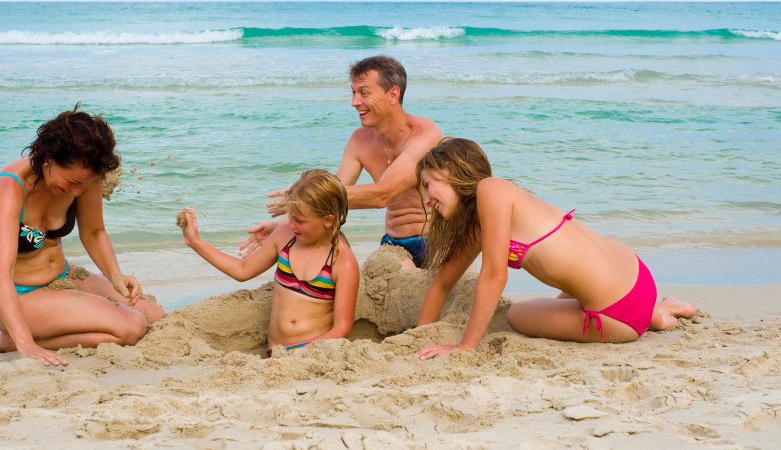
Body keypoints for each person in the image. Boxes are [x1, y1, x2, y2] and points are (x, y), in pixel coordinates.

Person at [412, 138, 696, 359]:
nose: (426, 200)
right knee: (564, 294)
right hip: (636, 276)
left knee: (517, 315)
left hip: (618, 316)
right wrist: (421, 334)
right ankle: (657, 310)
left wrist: (465, 346)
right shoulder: (486, 217)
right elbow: (443, 283)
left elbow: (494, 276)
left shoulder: (491, 189)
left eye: (427, 185)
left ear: (449, 170)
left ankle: (651, 316)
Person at [0, 105, 164, 366]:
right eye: (72, 182)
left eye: (84, 184)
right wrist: (26, 344)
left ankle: (39, 331)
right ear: (49, 159)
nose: (77, 193)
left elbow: (94, 231)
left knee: (153, 315)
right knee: (132, 326)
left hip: (61, 277)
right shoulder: (10, 188)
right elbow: (1, 273)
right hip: (13, 294)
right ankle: (14, 338)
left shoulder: (86, 175)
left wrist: (115, 275)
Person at [241, 55, 443, 267]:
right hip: (394, 243)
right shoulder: (359, 140)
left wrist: (306, 195)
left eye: (363, 93)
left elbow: (384, 193)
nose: (354, 102)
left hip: (434, 240)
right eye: (353, 93)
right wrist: (285, 224)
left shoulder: (425, 134)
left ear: (393, 94)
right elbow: (335, 195)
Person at [181, 170, 359, 355]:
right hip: (276, 352)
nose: (290, 224)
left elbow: (341, 328)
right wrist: (196, 243)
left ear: (328, 220)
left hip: (311, 355)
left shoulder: (342, 262)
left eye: (299, 220)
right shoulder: (285, 237)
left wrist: (303, 353)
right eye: (290, 217)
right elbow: (242, 270)